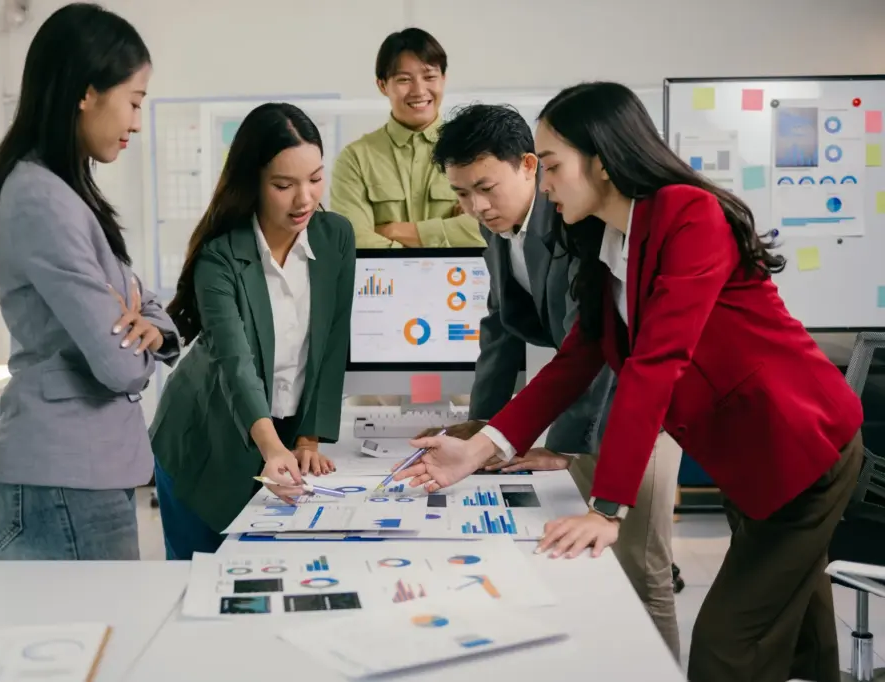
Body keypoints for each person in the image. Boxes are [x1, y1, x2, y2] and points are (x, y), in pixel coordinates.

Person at [396, 81, 865, 682]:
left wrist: (607, 507)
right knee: (797, 629)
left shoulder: (688, 213)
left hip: (801, 444)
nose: (544, 185)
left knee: (727, 649)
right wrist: (480, 447)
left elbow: (656, 362)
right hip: (745, 454)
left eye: (553, 166)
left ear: (602, 160)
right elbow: (578, 357)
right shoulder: (604, 234)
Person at [427, 103, 682, 658]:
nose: (476, 206)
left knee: (641, 568)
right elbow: (501, 326)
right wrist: (484, 423)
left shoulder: (576, 221)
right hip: (586, 407)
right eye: (462, 193)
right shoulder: (500, 227)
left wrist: (562, 446)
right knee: (586, 566)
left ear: (528, 165)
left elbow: (587, 348)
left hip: (637, 412)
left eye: (485, 188)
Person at [0, 2, 181, 560]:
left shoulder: (66, 190)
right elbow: (118, 365)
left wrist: (153, 329)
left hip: (77, 471)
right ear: (87, 92)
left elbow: (142, 300)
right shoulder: (41, 198)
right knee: (102, 621)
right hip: (60, 474)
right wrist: (142, 347)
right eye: (134, 101)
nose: (137, 122)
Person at [150, 103, 356, 558]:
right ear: (254, 183)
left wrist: (306, 438)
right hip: (204, 436)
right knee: (202, 575)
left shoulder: (336, 237)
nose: (305, 199)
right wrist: (272, 447)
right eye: (284, 185)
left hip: (276, 434)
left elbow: (332, 341)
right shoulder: (220, 256)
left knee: (274, 569)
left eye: (315, 179)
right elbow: (235, 362)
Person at [329, 27, 483, 248]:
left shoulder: (475, 148)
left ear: (443, 79)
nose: (419, 90)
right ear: (382, 85)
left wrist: (394, 231)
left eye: (429, 77)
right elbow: (354, 240)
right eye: (404, 79)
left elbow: (489, 228)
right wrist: (450, 233)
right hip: (384, 275)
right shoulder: (355, 159)